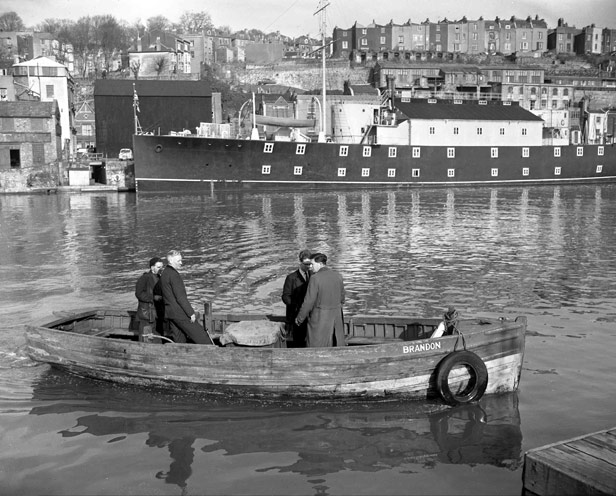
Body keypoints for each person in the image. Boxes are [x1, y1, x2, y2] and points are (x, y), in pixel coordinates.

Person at [159, 250, 213, 345]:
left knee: (179, 339)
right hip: (180, 313)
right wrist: (191, 313)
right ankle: (213, 355)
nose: (181, 263)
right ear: (171, 261)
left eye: (181, 260)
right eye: (178, 261)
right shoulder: (174, 275)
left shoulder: (164, 273)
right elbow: (180, 297)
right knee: (202, 337)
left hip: (170, 313)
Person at [295, 253, 346, 348]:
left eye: (312, 264)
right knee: (337, 343)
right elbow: (342, 298)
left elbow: (308, 302)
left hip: (320, 319)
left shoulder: (315, 278)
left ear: (320, 264)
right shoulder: (338, 275)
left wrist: (299, 318)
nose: (310, 267)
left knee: (317, 345)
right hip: (336, 317)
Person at [281, 249, 312, 347]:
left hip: (310, 315)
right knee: (298, 340)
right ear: (300, 262)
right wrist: (295, 305)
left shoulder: (314, 276)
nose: (308, 266)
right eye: (306, 264)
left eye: (310, 264)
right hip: (296, 314)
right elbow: (285, 296)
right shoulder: (291, 278)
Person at [135, 257, 164, 338]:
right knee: (146, 337)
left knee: (157, 336)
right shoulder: (144, 278)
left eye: (162, 267)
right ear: (152, 267)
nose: (161, 269)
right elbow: (139, 294)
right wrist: (153, 297)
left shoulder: (160, 278)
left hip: (158, 313)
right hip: (147, 314)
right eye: (158, 267)